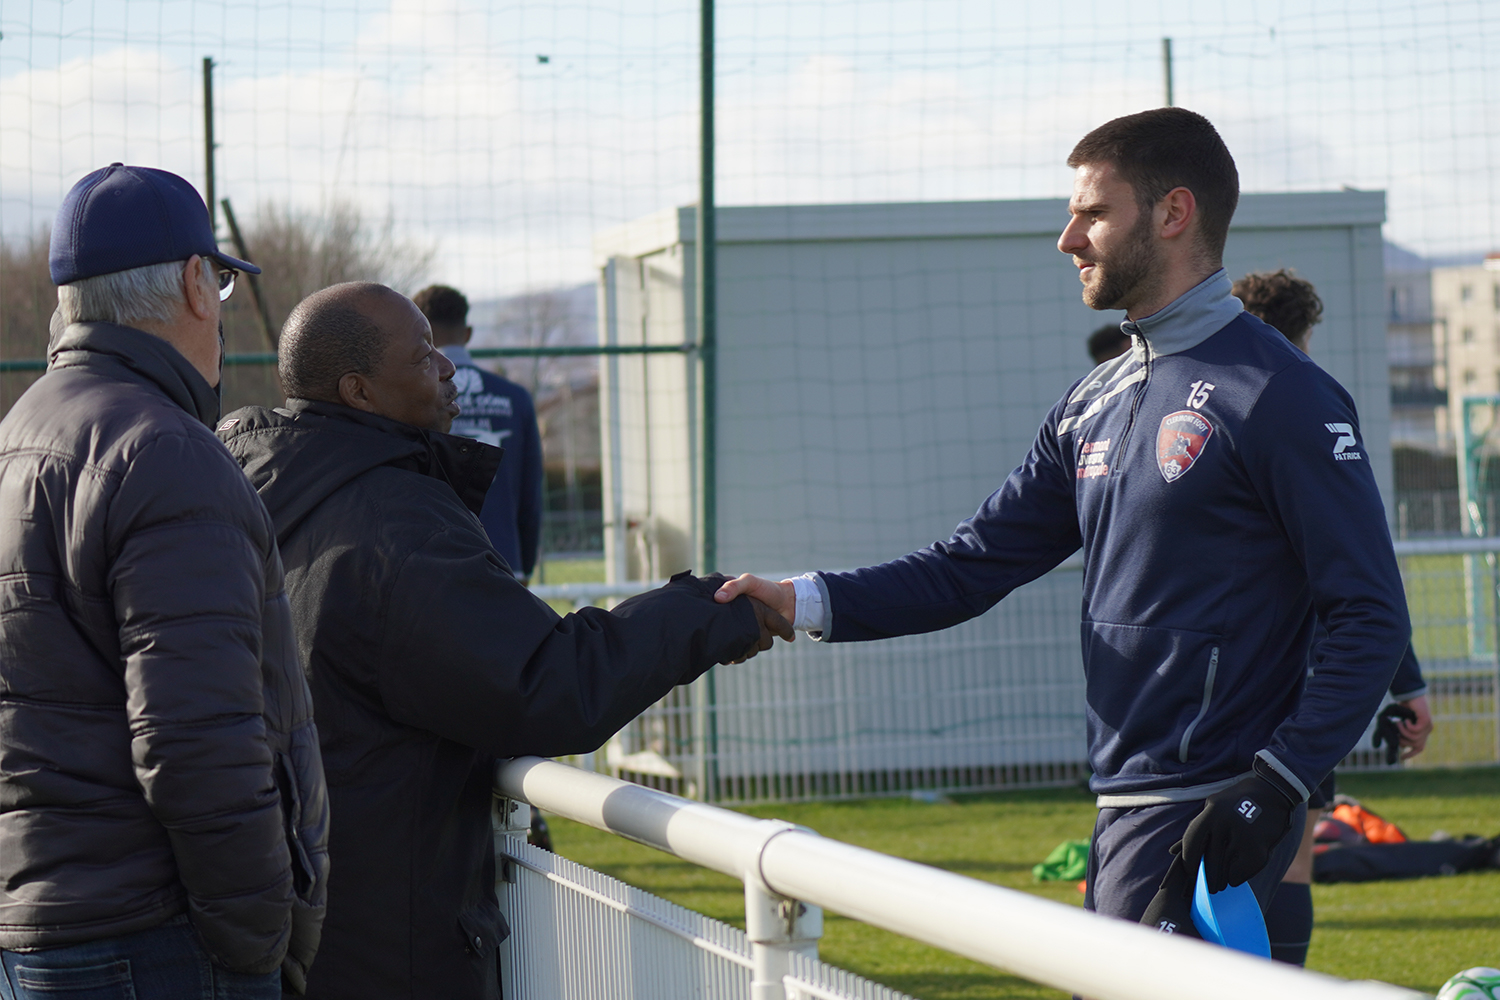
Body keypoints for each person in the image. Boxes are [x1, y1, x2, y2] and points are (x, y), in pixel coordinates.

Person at [716, 108, 1411, 935]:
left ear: (1173, 213)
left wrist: (1279, 782)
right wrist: (804, 599)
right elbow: (971, 563)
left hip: (1212, 804)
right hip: (1124, 801)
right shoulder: (1093, 399)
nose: (1068, 238)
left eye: (1092, 212)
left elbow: (1369, 611)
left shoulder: (1279, 394)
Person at [215, 281, 791, 1000]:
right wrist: (710, 609)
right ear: (360, 390)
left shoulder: (247, 498)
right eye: (424, 357)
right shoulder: (396, 526)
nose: (450, 369)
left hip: (292, 929)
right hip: (386, 947)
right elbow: (549, 686)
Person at [0, 164, 328, 998]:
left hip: (38, 926)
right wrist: (259, 942)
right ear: (193, 282)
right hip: (153, 939)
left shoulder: (19, 436)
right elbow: (196, 741)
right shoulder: (167, 454)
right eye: (218, 280)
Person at [1233, 267, 1435, 965]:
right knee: (1289, 860)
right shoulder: (1306, 404)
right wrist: (1407, 685)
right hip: (1299, 691)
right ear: (1304, 332)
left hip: (1209, 690)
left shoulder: (1211, 400)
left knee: (1208, 861)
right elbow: (1364, 573)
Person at [413, 284, 544, 581]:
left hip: (429, 560)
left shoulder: (411, 398)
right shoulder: (514, 398)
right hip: (504, 560)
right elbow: (530, 492)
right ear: (468, 333)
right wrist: (523, 564)